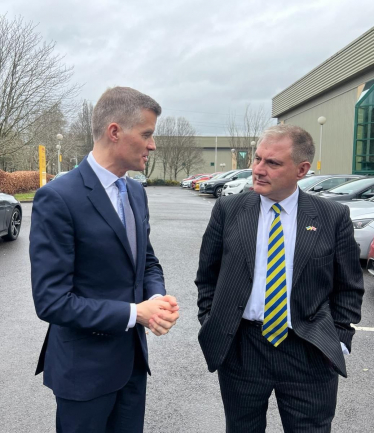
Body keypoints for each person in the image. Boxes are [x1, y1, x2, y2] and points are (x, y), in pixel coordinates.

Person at [195, 124, 364, 433]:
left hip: (308, 348)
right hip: (243, 347)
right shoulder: (228, 210)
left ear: (301, 170)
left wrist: (340, 340)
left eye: (272, 163)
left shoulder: (331, 216)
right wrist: (209, 320)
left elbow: (349, 286)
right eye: (257, 158)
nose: (258, 169)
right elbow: (207, 276)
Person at [30, 87, 179, 433]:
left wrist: (155, 299)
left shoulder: (137, 192)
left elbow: (147, 262)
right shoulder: (58, 198)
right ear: (115, 132)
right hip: (83, 375)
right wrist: (134, 313)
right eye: (147, 134)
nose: (152, 144)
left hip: (131, 367)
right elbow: (52, 302)